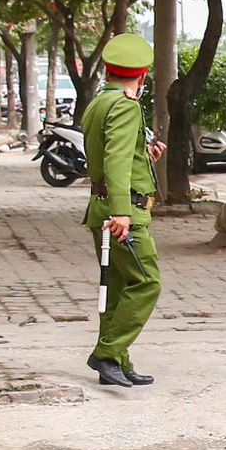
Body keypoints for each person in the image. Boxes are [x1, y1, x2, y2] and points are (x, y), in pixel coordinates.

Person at [81, 33, 166, 388]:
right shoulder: (127, 106)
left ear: (109, 71)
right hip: (123, 212)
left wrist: (144, 154)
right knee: (147, 282)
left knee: (117, 288)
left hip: (100, 206)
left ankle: (117, 360)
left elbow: (112, 154)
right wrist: (123, 212)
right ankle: (106, 353)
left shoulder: (98, 103)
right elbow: (115, 160)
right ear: (142, 75)